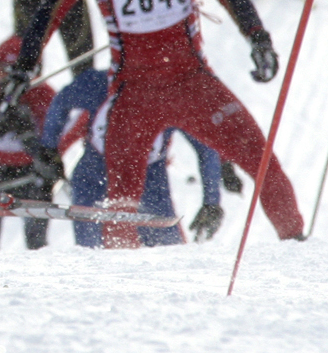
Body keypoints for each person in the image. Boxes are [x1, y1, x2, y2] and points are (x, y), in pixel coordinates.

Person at [7, 0, 302, 249]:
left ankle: (296, 244)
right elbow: (52, 8)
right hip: (133, 95)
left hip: (192, 82)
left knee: (261, 158)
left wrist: (258, 37)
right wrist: (25, 64)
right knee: (121, 201)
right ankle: (124, 285)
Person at [43, 63, 225, 248]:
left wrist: (212, 202)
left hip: (150, 178)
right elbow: (62, 102)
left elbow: (206, 146)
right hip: (95, 171)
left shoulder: (172, 95)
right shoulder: (100, 82)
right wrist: (48, 151)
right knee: (90, 248)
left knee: (168, 249)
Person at [0, 38, 60, 250]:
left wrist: (27, 135)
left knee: (37, 246)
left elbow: (51, 153)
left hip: (31, 173)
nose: (8, 78)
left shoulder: (45, 94)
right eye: (3, 69)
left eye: (17, 72)